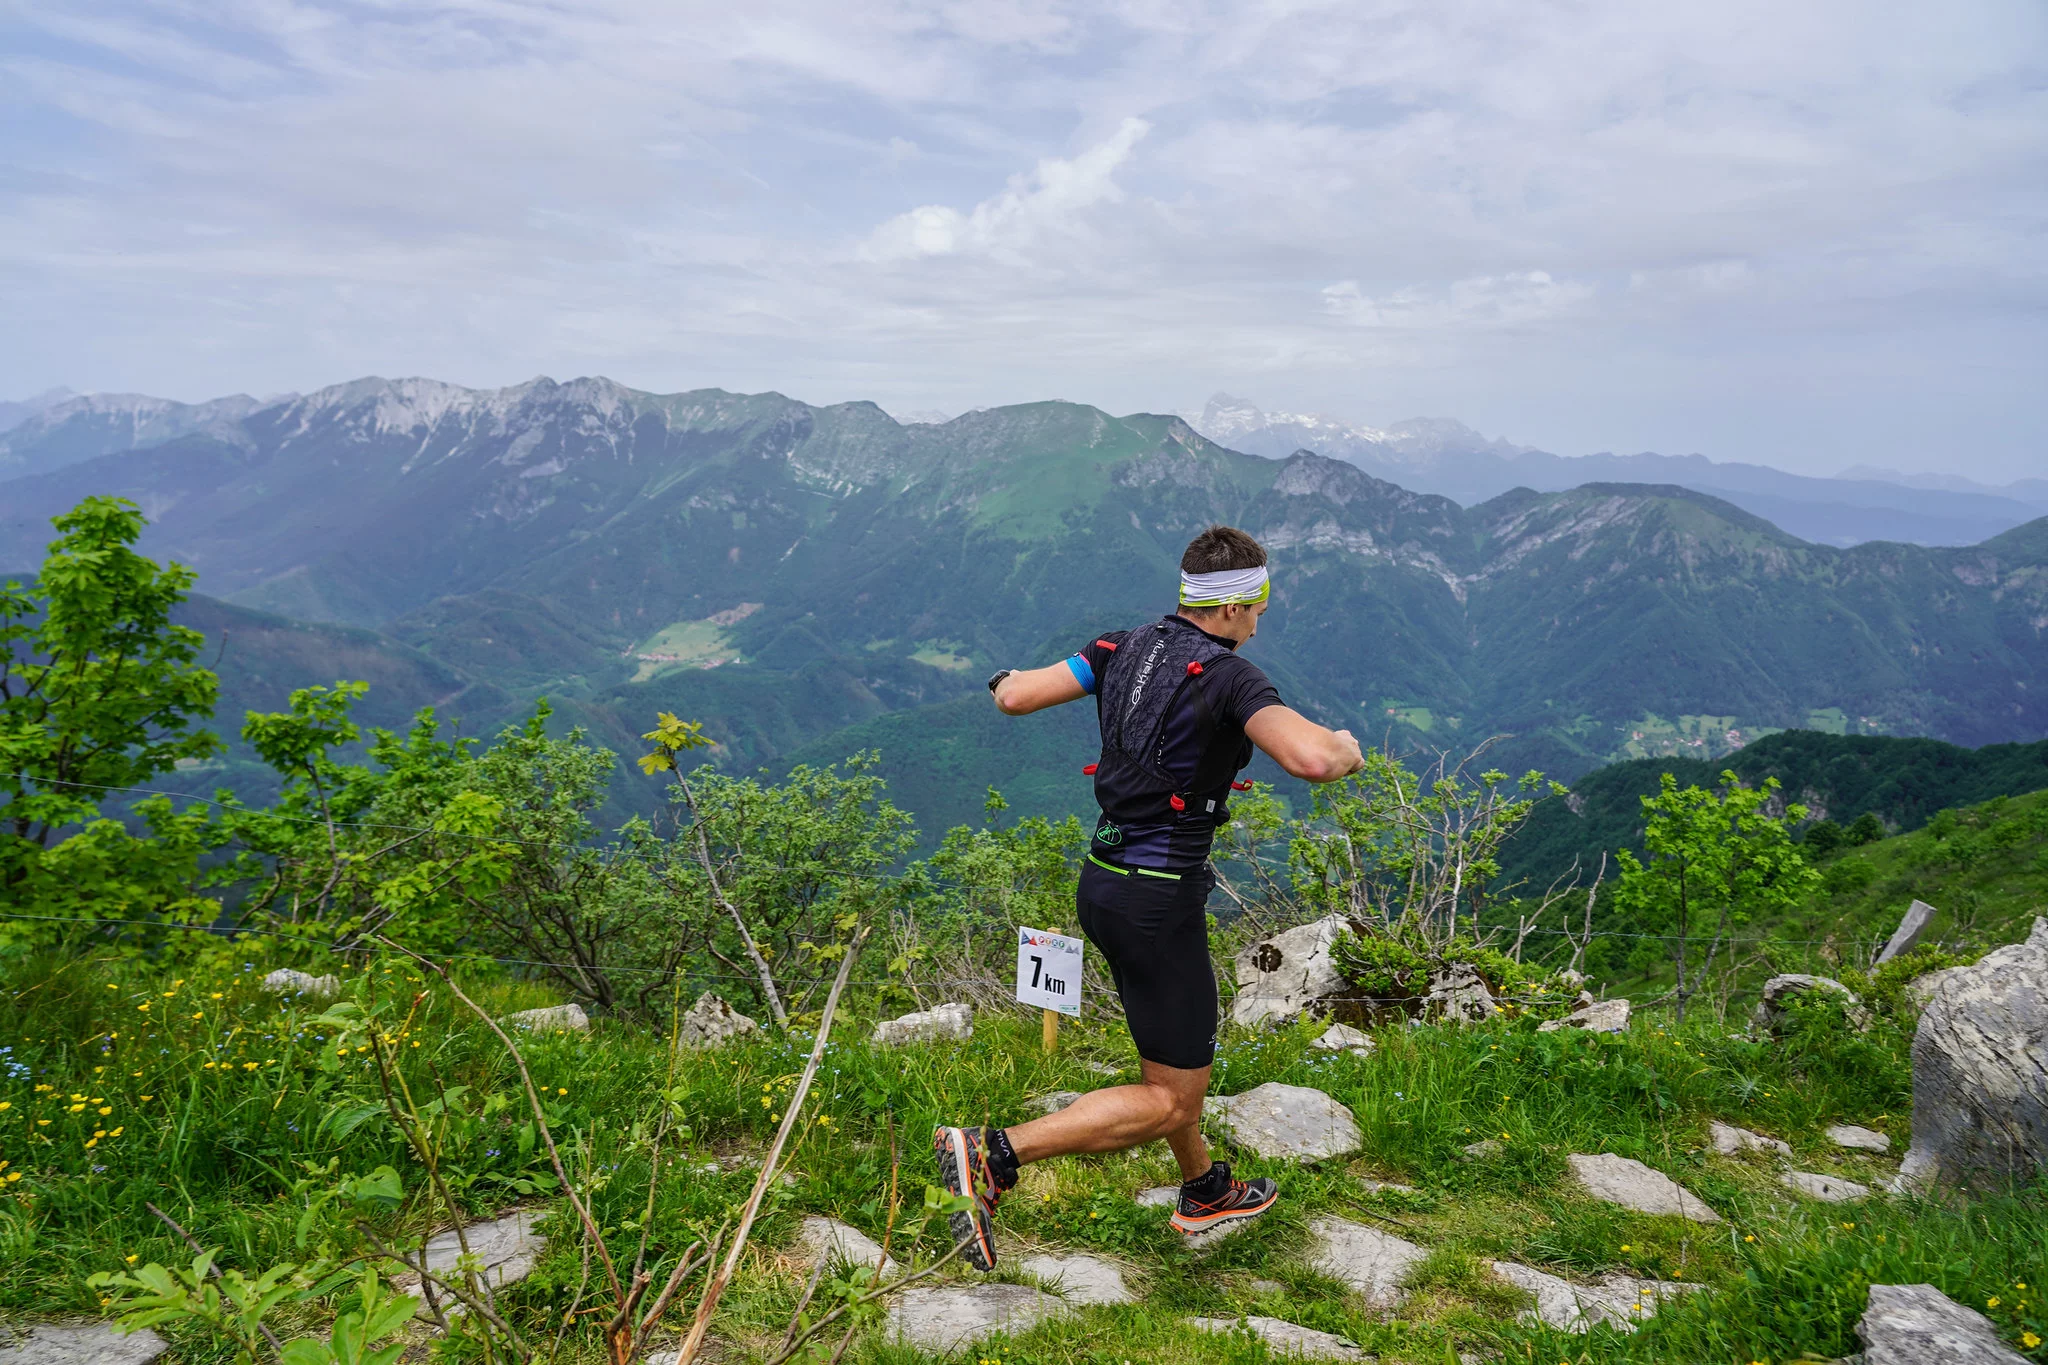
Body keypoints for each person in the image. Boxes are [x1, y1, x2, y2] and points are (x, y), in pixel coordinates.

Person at [933, 524, 1366, 1270]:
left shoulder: (1115, 648)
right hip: (1158, 903)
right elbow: (1312, 758)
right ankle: (992, 1153)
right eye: (1260, 602)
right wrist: (1347, 745)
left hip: (1102, 885)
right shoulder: (1232, 678)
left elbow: (1016, 696)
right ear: (1231, 608)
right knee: (1172, 1098)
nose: (1263, 616)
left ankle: (1204, 1188)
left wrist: (1001, 677)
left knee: (1171, 1063)